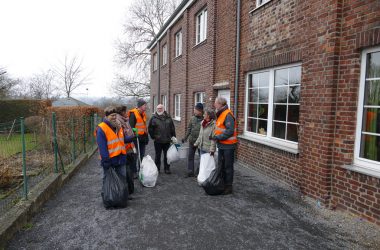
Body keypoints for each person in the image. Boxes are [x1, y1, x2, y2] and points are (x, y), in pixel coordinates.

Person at [95, 106, 135, 197]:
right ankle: (108, 196)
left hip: (121, 157)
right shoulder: (101, 128)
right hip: (110, 159)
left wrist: (132, 137)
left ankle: (123, 196)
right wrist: (106, 161)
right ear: (106, 116)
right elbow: (102, 147)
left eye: (115, 115)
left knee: (122, 178)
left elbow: (122, 139)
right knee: (108, 179)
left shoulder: (118, 126)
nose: (114, 117)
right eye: (111, 115)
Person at [212, 97, 237, 195]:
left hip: (228, 146)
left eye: (215, 103)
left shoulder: (227, 114)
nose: (214, 105)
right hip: (222, 145)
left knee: (228, 166)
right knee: (221, 166)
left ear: (220, 104)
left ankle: (228, 187)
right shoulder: (220, 114)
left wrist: (218, 137)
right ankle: (222, 184)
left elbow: (230, 131)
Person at [148, 104, 176, 174]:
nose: (159, 109)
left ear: (163, 109)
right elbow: (150, 128)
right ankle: (157, 169)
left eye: (160, 108)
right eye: (158, 108)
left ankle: (167, 168)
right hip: (158, 140)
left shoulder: (168, 117)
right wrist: (153, 137)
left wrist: (173, 137)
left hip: (167, 140)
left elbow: (172, 128)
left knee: (167, 155)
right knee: (158, 155)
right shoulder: (153, 118)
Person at [116, 105, 136, 195]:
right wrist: (131, 137)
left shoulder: (125, 120)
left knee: (129, 169)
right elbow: (122, 137)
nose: (126, 113)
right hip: (125, 150)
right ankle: (128, 190)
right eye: (125, 111)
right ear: (121, 112)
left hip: (129, 148)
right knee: (127, 171)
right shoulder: (119, 122)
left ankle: (130, 189)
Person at [128, 99, 149, 177]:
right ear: (140, 106)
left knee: (142, 155)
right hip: (136, 138)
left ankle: (141, 170)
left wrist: (146, 137)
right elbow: (131, 127)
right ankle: (134, 172)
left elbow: (144, 127)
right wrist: (133, 137)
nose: (146, 106)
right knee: (135, 155)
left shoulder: (143, 114)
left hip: (143, 138)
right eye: (144, 105)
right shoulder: (133, 114)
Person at [182, 103, 204, 177]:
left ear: (200, 111)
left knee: (201, 158)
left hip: (200, 142)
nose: (194, 111)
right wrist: (185, 138)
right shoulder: (192, 118)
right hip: (192, 141)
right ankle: (190, 171)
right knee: (190, 156)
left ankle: (198, 172)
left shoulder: (205, 119)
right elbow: (189, 129)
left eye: (195, 109)